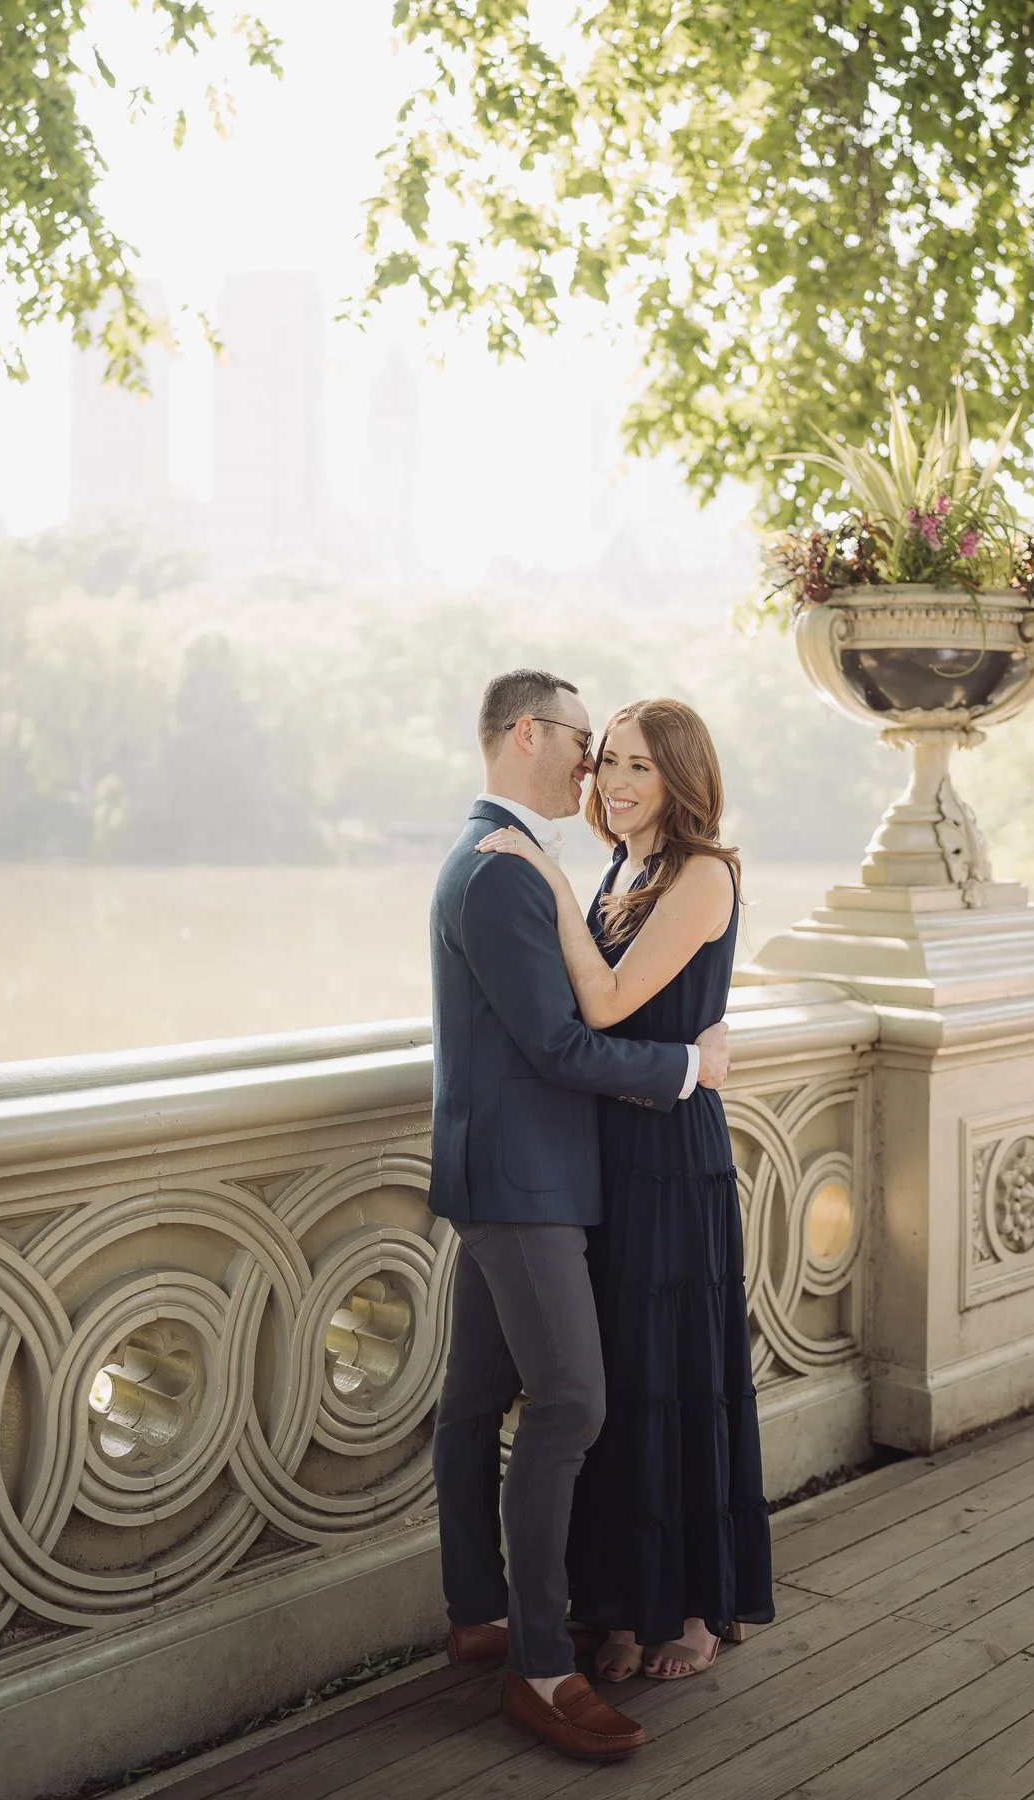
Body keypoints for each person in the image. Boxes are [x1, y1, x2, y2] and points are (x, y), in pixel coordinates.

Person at [428, 669, 731, 1761]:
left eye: (622, 756)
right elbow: (564, 1042)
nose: (593, 767)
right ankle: (541, 1665)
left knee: (475, 1405)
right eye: (586, 743)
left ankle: (481, 1612)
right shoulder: (506, 871)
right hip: (529, 1184)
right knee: (571, 1406)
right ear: (529, 734)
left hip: (522, 1174)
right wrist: (688, 1066)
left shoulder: (510, 859)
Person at [477, 696, 774, 1684]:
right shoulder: (621, 873)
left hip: (672, 1156)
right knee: (617, 1383)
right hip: (606, 1152)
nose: (613, 781)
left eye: (639, 765)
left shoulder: (702, 873)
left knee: (675, 1373)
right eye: (607, 760)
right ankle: (621, 1603)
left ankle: (689, 1609)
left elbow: (603, 1004)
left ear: (681, 777)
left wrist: (545, 880)